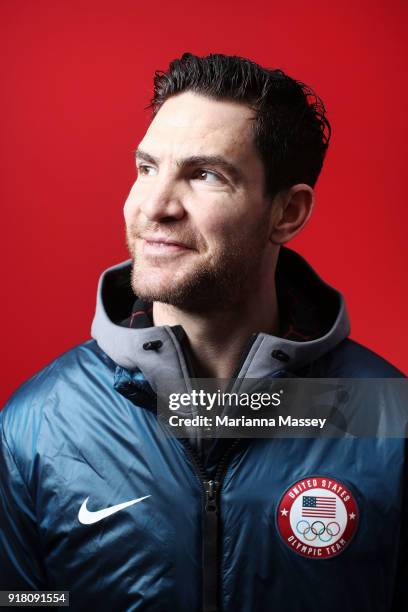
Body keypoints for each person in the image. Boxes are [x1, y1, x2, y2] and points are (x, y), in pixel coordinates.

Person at [0, 53, 405, 612]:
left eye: (205, 174)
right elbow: (24, 603)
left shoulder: (387, 419)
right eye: (146, 168)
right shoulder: (39, 423)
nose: (155, 206)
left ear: (287, 213)